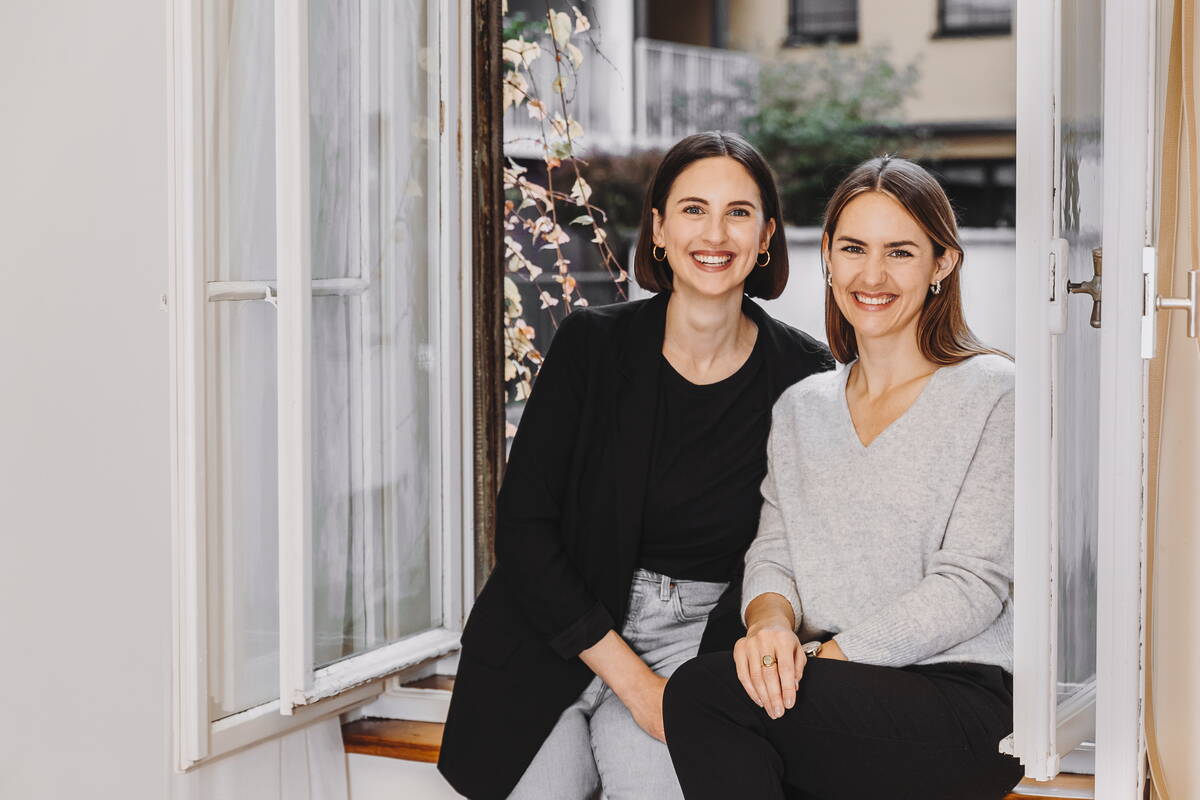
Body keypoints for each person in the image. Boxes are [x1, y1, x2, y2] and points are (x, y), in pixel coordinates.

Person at [437, 131, 834, 799]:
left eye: (739, 212)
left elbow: (801, 546)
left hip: (699, 645)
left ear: (766, 235)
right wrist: (631, 681)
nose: (715, 232)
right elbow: (525, 528)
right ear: (658, 228)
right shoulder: (591, 345)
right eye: (693, 209)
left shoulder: (805, 374)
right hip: (556, 626)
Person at [663, 156, 1026, 799]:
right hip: (832, 694)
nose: (873, 275)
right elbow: (774, 552)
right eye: (854, 248)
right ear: (828, 255)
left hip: (958, 698)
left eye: (901, 251)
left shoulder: (993, 392)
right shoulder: (802, 407)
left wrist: (820, 661)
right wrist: (770, 627)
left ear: (942, 263)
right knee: (745, 711)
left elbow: (973, 584)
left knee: (704, 695)